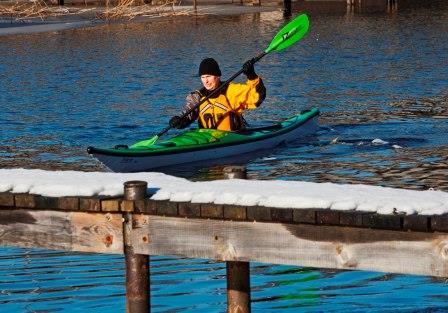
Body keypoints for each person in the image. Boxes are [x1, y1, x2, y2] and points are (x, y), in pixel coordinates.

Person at [169, 57, 266, 132]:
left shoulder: (231, 91)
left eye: (209, 76)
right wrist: (179, 120)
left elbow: (257, 97)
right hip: (206, 138)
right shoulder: (198, 96)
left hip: (232, 138)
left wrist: (251, 75)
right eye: (203, 77)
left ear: (218, 76)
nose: (206, 81)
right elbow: (188, 113)